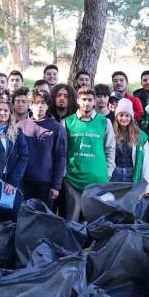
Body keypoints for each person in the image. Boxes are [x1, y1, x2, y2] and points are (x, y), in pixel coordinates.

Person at [63, 86, 116, 220]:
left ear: (94, 101)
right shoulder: (67, 122)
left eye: (90, 99)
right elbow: (61, 151)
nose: (86, 103)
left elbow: (110, 149)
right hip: (72, 179)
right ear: (78, 101)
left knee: (96, 219)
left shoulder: (105, 122)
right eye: (84, 99)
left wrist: (109, 172)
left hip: (98, 179)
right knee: (72, 219)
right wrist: (64, 173)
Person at [19, 89, 67, 209]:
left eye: (43, 103)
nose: (39, 106)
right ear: (30, 105)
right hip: (23, 181)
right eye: (36, 102)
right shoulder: (20, 126)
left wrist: (56, 185)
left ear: (47, 105)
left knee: (44, 219)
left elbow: (60, 158)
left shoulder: (57, 128)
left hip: (45, 183)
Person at [0, 96, 28, 217]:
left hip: (9, 180)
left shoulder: (16, 133)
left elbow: (24, 157)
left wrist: (13, 181)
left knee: (12, 215)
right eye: (0, 109)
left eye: (6, 110)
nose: (3, 113)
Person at [111, 100, 149, 195]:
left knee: (129, 204)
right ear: (116, 116)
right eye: (121, 115)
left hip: (132, 175)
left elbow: (146, 163)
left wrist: (147, 188)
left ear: (131, 117)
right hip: (115, 175)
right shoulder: (111, 133)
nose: (124, 118)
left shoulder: (141, 136)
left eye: (127, 115)